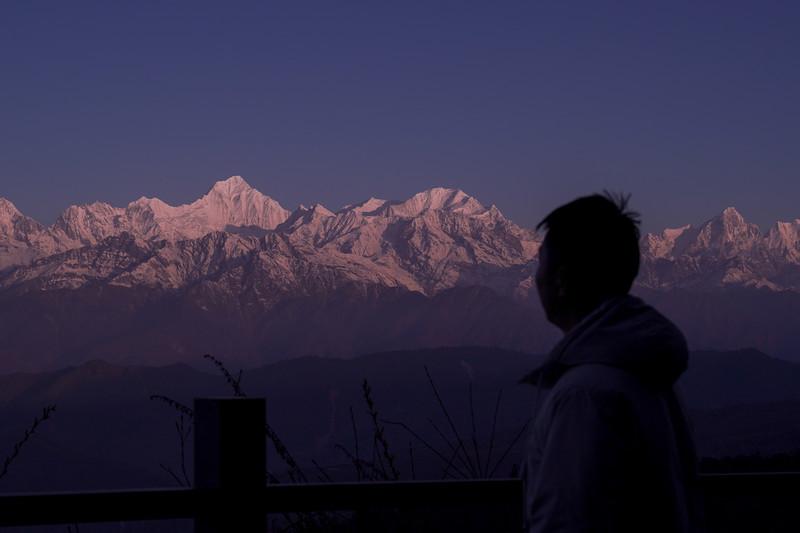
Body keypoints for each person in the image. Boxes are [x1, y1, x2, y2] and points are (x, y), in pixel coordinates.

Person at [521, 193, 701, 533]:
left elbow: (567, 518)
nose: (535, 278)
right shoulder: (651, 373)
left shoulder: (585, 394)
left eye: (540, 262)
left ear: (560, 279)